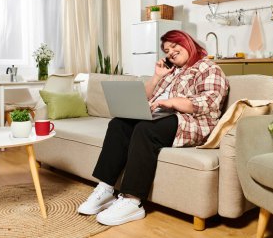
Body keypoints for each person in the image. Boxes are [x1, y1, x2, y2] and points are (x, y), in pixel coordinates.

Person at [78, 30, 229, 226]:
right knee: (118, 124)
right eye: (167, 50)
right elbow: (146, 98)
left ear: (188, 42)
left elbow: (208, 103)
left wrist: (171, 102)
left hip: (192, 122)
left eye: (175, 46)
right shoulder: (170, 72)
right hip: (164, 118)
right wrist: (157, 77)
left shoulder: (208, 68)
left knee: (144, 128)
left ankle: (132, 201)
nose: (171, 52)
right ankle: (105, 189)